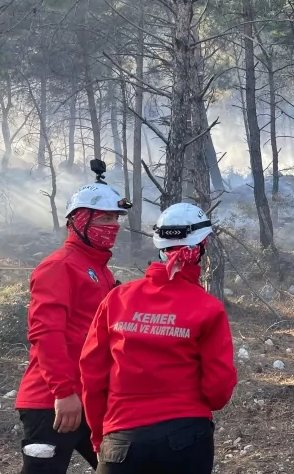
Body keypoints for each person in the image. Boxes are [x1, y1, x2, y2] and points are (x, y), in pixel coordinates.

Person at [79, 202, 238, 474]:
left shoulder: (117, 299)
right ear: (202, 246)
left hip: (121, 438)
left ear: (160, 246)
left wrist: (98, 436)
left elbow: (92, 376)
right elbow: (217, 392)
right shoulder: (207, 308)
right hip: (187, 437)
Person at [16, 177, 132, 473]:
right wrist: (63, 392)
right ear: (80, 220)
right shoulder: (60, 266)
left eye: (116, 218)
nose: (113, 226)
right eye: (105, 218)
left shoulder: (98, 269)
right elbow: (46, 333)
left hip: (91, 398)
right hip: (54, 403)